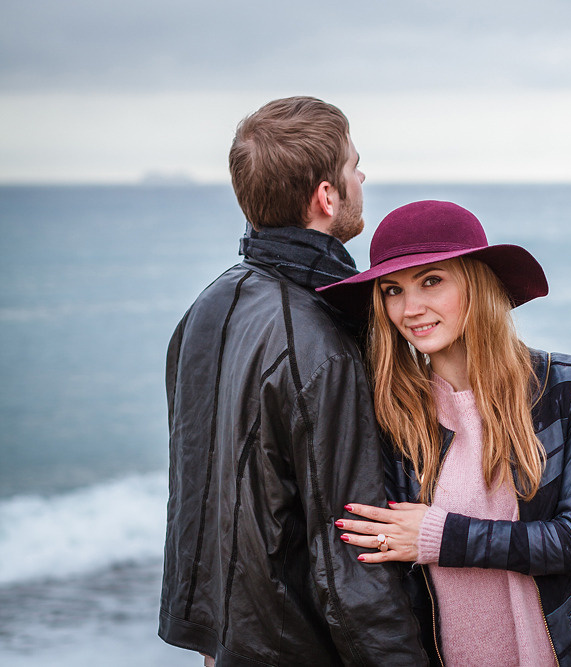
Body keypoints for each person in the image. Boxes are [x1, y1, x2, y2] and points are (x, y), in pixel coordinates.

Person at [159, 97, 427, 667]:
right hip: (300, 648)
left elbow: (196, 501)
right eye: (354, 164)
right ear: (326, 197)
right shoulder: (321, 340)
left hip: (232, 644)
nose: (363, 175)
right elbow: (350, 545)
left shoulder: (203, 310)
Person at [317, 200, 571, 666]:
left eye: (431, 281)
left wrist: (440, 537)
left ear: (475, 284)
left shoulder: (565, 384)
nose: (410, 309)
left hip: (566, 654)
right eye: (393, 290)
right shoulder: (388, 411)